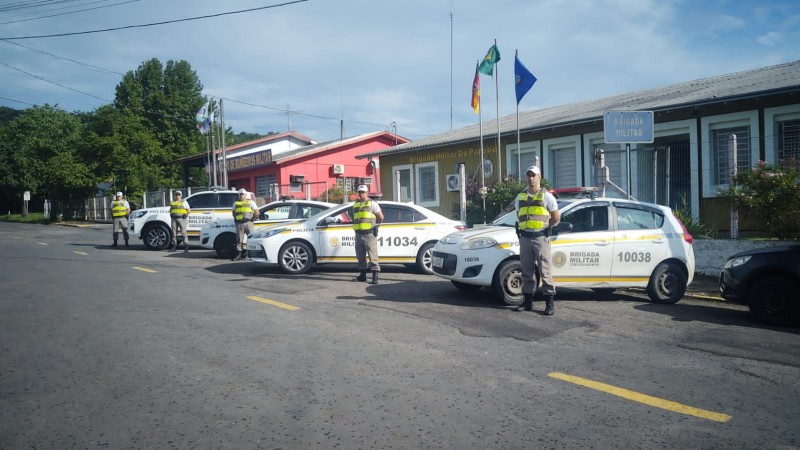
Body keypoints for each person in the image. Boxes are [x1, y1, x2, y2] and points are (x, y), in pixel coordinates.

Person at [514, 165, 560, 315]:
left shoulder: (547, 196)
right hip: (525, 238)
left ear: (539, 177)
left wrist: (545, 228)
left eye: (534, 175)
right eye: (529, 175)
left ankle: (549, 304)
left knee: (545, 271)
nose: (531, 178)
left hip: (540, 238)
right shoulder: (520, 197)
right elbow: (519, 215)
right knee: (527, 272)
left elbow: (556, 217)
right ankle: (528, 303)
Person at [352, 184, 384, 284]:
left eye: (363, 192)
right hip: (358, 234)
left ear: (367, 193)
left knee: (372, 255)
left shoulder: (372, 203)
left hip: (369, 234)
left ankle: (375, 276)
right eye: (359, 192)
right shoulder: (356, 204)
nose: (361, 194)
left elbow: (380, 217)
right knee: (360, 256)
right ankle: (363, 275)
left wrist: (376, 226)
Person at [232, 188, 257, 261]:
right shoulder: (236, 203)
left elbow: (256, 212)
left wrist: (253, 219)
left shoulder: (251, 202)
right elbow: (233, 213)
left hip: (248, 222)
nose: (241, 195)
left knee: (252, 239)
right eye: (240, 194)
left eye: (242, 194)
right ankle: (239, 254)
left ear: (245, 195)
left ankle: (252, 254)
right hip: (239, 223)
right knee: (239, 239)